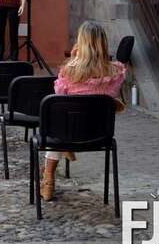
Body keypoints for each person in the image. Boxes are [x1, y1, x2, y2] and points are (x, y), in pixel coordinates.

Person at [40, 21, 126, 201]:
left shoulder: (70, 71)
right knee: (61, 123)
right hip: (99, 133)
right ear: (103, 43)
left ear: (81, 43)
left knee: (56, 121)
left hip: (69, 131)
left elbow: (59, 94)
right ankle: (63, 149)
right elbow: (113, 94)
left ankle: (48, 179)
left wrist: (72, 60)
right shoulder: (115, 72)